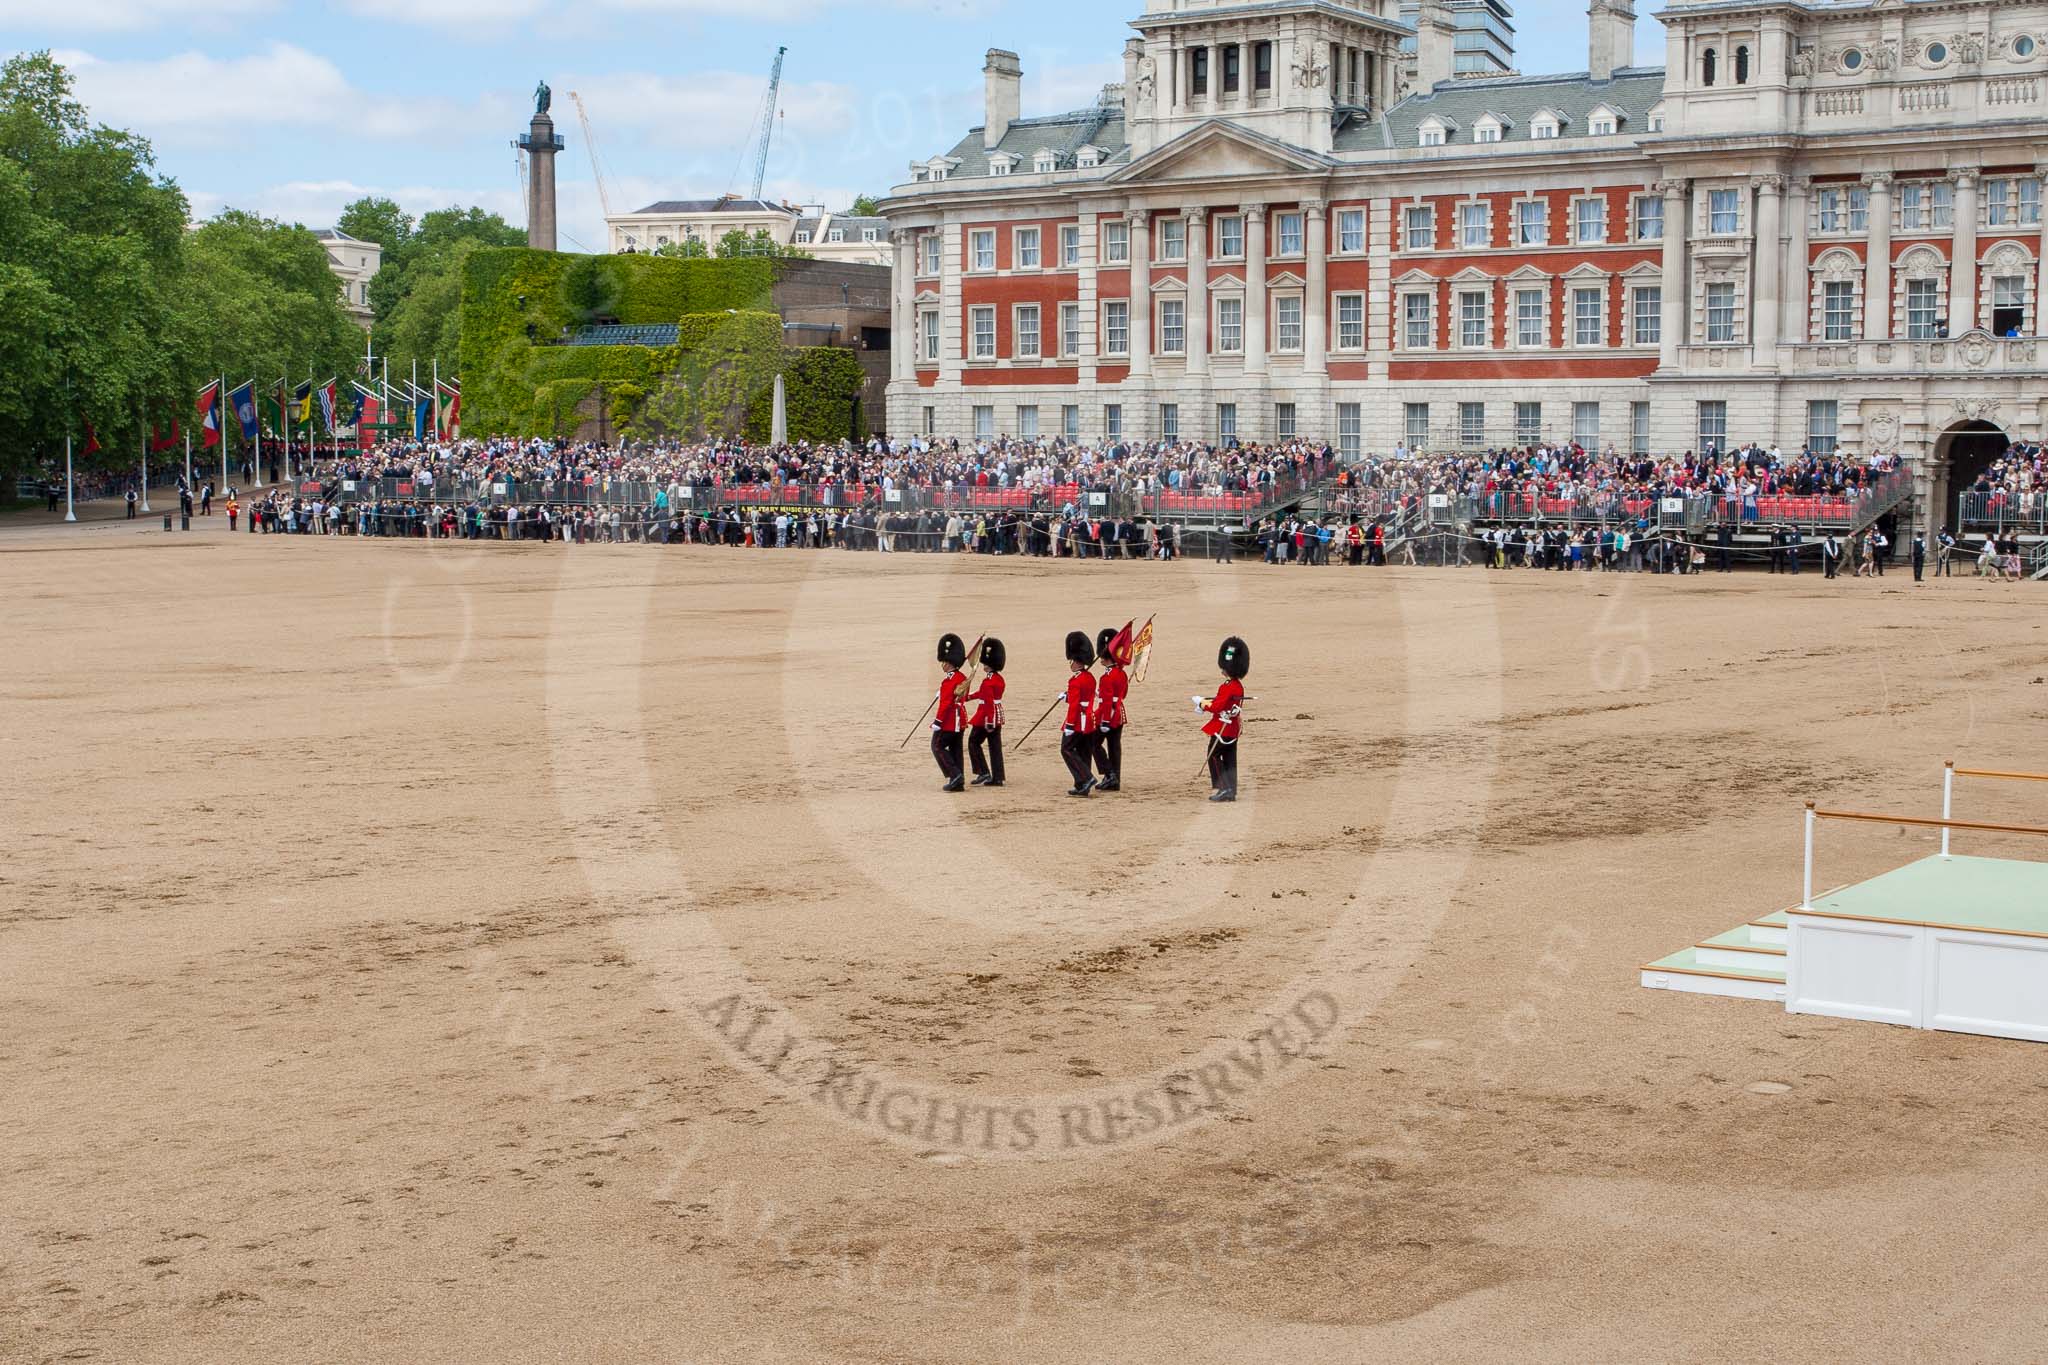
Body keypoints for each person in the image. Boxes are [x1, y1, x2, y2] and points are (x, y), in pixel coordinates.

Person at [1196, 636, 1248, 803]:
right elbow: (1222, 702)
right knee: (1230, 758)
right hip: (1232, 727)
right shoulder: (1237, 685)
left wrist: (1202, 704)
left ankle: (1224, 788)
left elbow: (1217, 707)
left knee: (1213, 756)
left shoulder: (1228, 686)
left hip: (1222, 727)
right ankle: (1231, 789)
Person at [1059, 630, 1098, 797]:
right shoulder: (1089, 677)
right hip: (1088, 719)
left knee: (1066, 749)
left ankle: (1086, 778)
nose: (1071, 664)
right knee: (1083, 751)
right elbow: (1082, 698)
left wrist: (1068, 725)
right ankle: (1082, 784)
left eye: (1072, 661)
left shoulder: (1075, 680)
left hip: (1076, 720)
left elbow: (1075, 705)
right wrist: (1067, 696)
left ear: (1077, 661)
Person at [930, 633, 969, 793]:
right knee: (955, 749)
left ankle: (954, 775)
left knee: (937, 746)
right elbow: (964, 697)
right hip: (961, 719)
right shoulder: (962, 677)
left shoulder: (949, 681)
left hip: (949, 720)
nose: (942, 665)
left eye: (944, 662)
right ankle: (959, 781)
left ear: (949, 662)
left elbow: (945, 704)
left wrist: (938, 722)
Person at [1092, 625, 1129, 793]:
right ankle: (1115, 780)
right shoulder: (1121, 673)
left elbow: (1107, 702)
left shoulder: (1106, 677)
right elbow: (1123, 694)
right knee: (1114, 747)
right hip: (1119, 713)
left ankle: (1109, 774)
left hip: (1108, 715)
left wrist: (1105, 720)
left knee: (1093, 743)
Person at [967, 637, 1007, 788]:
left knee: (973, 742)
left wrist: (989, 720)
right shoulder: (998, 679)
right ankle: (998, 777)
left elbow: (988, 702)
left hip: (986, 716)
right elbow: (983, 694)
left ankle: (982, 771)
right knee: (994, 746)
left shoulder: (989, 681)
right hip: (996, 715)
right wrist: (969, 697)